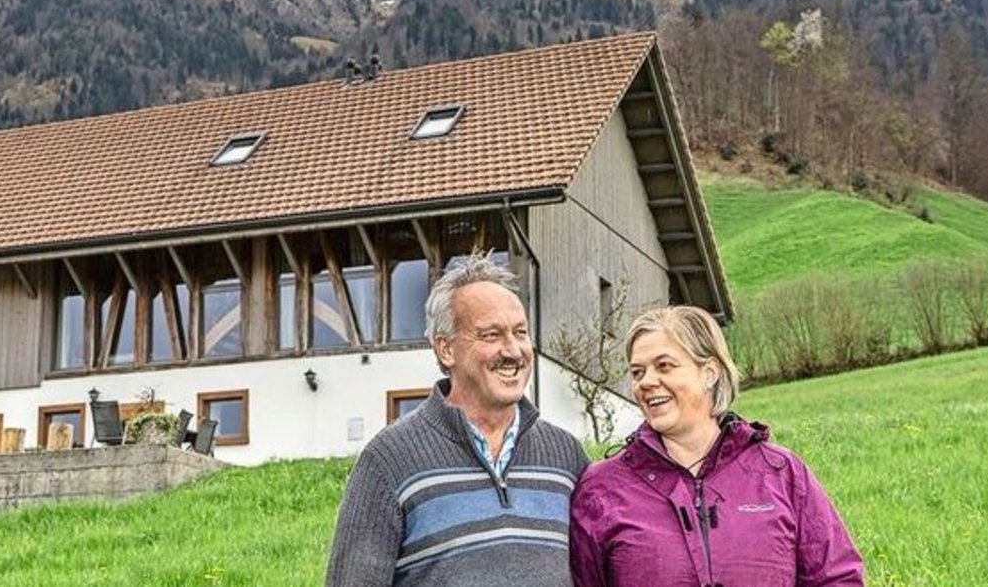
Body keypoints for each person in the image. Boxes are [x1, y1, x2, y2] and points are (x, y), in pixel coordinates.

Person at [326, 251, 590, 586]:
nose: (513, 351)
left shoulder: (567, 457)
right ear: (445, 349)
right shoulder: (388, 460)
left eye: (520, 332)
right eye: (491, 335)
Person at [570, 305, 864, 587]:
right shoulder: (602, 487)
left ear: (709, 372)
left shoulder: (781, 473)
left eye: (664, 366)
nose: (647, 382)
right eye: (637, 372)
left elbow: (836, 578)